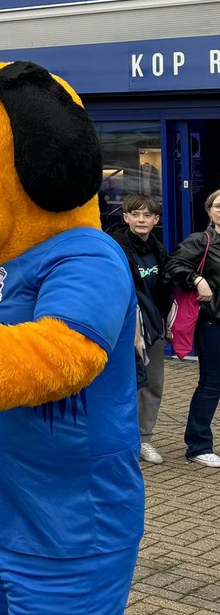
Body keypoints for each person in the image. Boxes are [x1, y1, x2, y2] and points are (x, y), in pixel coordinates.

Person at [108, 193, 172, 464]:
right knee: (123, 384)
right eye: (136, 214)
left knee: (153, 384)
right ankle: (119, 442)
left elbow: (164, 289)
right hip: (122, 329)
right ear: (126, 218)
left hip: (152, 328)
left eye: (148, 215)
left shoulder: (159, 249)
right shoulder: (114, 247)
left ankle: (144, 440)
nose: (141, 219)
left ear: (156, 219)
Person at [166, 187, 220, 466]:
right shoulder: (202, 241)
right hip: (213, 323)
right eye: (218, 206)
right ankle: (198, 446)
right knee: (212, 384)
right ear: (210, 211)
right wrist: (197, 280)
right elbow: (173, 266)